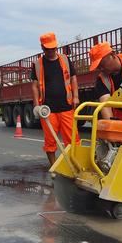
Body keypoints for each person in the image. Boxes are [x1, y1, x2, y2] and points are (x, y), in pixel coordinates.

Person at [31, 32, 79, 167]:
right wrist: (36, 105)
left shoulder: (65, 59)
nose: (51, 51)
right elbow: (34, 86)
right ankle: (53, 168)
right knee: (50, 141)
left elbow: (73, 78)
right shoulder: (38, 64)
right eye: (48, 48)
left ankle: (75, 166)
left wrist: (76, 96)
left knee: (73, 140)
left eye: (53, 48)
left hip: (67, 107)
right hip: (48, 109)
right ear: (42, 47)